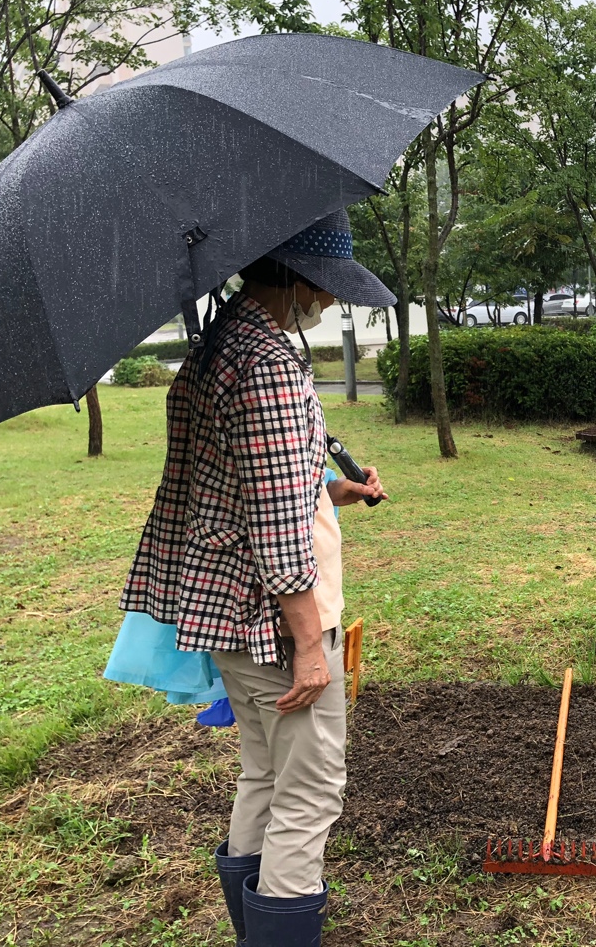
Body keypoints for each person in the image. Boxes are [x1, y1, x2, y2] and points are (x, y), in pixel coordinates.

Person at [120, 210, 393, 947]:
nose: (333, 302)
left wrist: (332, 491)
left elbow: (241, 486)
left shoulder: (219, 345)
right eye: (329, 286)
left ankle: (255, 932)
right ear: (296, 277)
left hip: (226, 614)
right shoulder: (268, 364)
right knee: (309, 788)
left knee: (266, 773)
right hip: (273, 621)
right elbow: (273, 526)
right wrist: (310, 643)